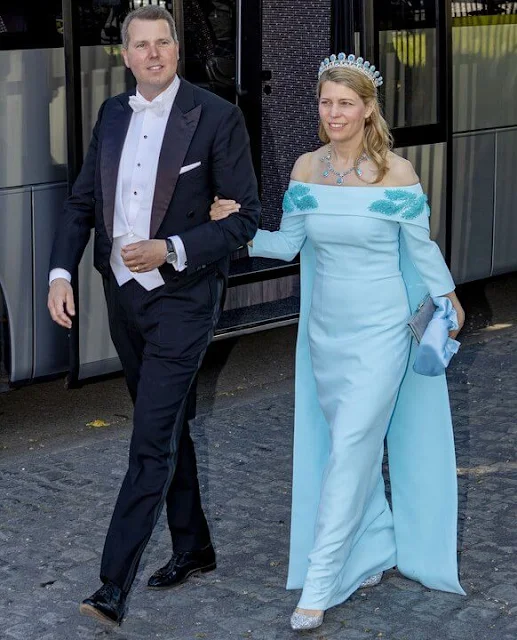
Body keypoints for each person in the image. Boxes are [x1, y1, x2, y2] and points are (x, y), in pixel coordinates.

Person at [210, 53, 466, 631]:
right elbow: (286, 246)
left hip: (381, 330)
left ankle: (319, 584)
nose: (334, 113)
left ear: (368, 109)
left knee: (351, 445)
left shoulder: (397, 174)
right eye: (326, 103)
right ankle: (374, 543)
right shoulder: (306, 168)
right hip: (325, 332)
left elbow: (420, 248)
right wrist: (237, 226)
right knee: (350, 444)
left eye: (345, 103)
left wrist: (446, 295)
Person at [47, 5, 260, 626]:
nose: (154, 54)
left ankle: (112, 585)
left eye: (163, 42)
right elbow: (83, 200)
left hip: (184, 299)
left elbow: (244, 218)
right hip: (124, 298)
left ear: (177, 47)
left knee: (148, 441)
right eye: (141, 46)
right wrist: (61, 273)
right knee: (163, 424)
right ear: (125, 55)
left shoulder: (217, 116)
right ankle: (193, 545)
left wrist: (172, 248)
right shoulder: (113, 114)